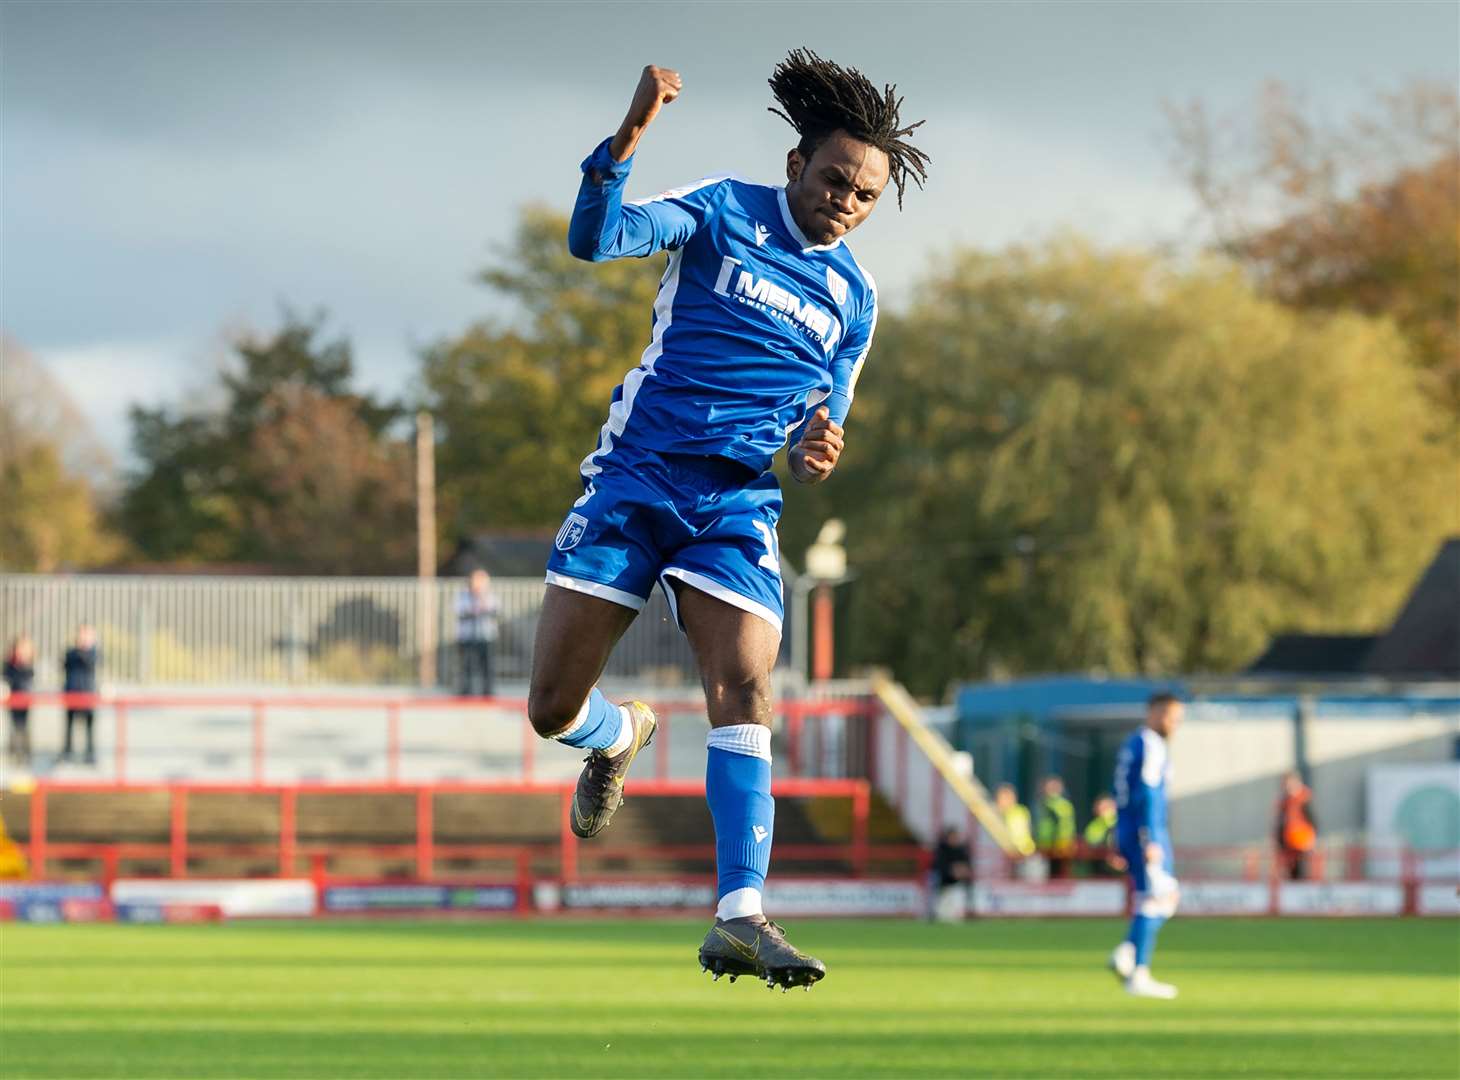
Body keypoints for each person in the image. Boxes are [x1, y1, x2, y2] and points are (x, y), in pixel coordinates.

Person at [525, 51, 929, 991]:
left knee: (747, 688)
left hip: (736, 504)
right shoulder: (720, 209)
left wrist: (819, 450)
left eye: (865, 196)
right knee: (550, 708)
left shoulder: (855, 300)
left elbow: (825, 423)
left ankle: (741, 915)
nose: (846, 202)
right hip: (636, 479)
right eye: (835, 180)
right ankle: (614, 738)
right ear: (797, 165)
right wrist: (627, 137)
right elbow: (597, 239)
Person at [1109, 692, 1184, 999]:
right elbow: (1149, 794)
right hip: (1146, 832)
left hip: (1131, 829)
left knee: (1156, 897)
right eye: (1169, 716)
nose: (1174, 724)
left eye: (1178, 719)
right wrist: (1151, 838)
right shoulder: (1151, 743)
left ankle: (1129, 954)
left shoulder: (1133, 743)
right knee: (1158, 898)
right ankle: (1137, 970)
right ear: (1152, 712)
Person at [455, 569, 500, 697]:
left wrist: (481, 602)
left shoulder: (490, 596)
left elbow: (495, 610)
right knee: (467, 666)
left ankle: (488, 692)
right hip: (467, 637)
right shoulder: (463, 595)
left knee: (487, 665)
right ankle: (465, 691)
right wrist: (474, 610)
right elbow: (460, 611)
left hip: (486, 636)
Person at [62, 624, 100, 764]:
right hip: (72, 692)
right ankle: (68, 751)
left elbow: (91, 664)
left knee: (89, 726)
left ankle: (90, 754)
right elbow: (65, 666)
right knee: (69, 725)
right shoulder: (71, 652)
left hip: (87, 694)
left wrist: (84, 649)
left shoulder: (94, 652)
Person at [1275, 771, 1318, 880]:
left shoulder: (1304, 799)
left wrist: (1311, 840)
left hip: (1302, 843)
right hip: (1288, 845)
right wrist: (1279, 843)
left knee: (1302, 874)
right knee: (1291, 874)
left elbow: (1312, 819)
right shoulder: (1284, 802)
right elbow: (1280, 825)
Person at [1036, 774, 1077, 879]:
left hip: (1057, 848)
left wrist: (1061, 845)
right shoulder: (1044, 803)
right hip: (1047, 846)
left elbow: (1063, 827)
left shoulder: (1057, 805)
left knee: (1057, 877)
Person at [3, 636, 35, 766]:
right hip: (13, 699)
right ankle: (14, 753)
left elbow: (29, 677)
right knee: (14, 726)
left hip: (25, 699)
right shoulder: (9, 663)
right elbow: (7, 678)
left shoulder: (29, 662)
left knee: (24, 727)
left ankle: (25, 753)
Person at [930, 825, 972, 923]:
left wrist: (962, 871)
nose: (954, 839)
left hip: (956, 882)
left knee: (956, 899)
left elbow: (967, 865)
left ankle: (961, 913)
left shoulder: (961, 849)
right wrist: (952, 871)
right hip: (942, 880)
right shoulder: (942, 849)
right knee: (934, 882)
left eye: (956, 837)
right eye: (952, 837)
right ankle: (932, 914)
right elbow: (940, 867)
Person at [1083, 793, 1125, 877]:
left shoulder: (1122, 823)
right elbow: (1091, 844)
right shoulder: (1094, 825)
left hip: (1121, 863)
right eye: (1102, 807)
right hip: (1101, 865)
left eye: (1107, 807)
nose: (1105, 810)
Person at [994, 783, 1036, 858]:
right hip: (1023, 852)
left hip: (1020, 853)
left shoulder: (1014, 814)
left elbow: (1015, 836)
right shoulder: (1020, 811)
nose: (998, 803)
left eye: (1000, 799)